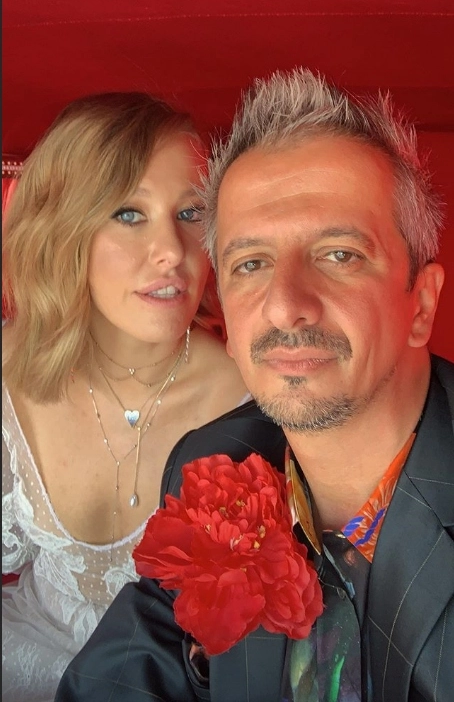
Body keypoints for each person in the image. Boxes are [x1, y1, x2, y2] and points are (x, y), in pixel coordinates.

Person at [55, 68, 454, 702]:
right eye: (252, 263)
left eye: (339, 254)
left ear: (422, 306)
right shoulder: (216, 466)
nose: (286, 305)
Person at [2, 91, 248, 702]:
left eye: (190, 212)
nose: (172, 251)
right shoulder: (10, 369)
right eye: (129, 213)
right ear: (63, 229)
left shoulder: (252, 399)